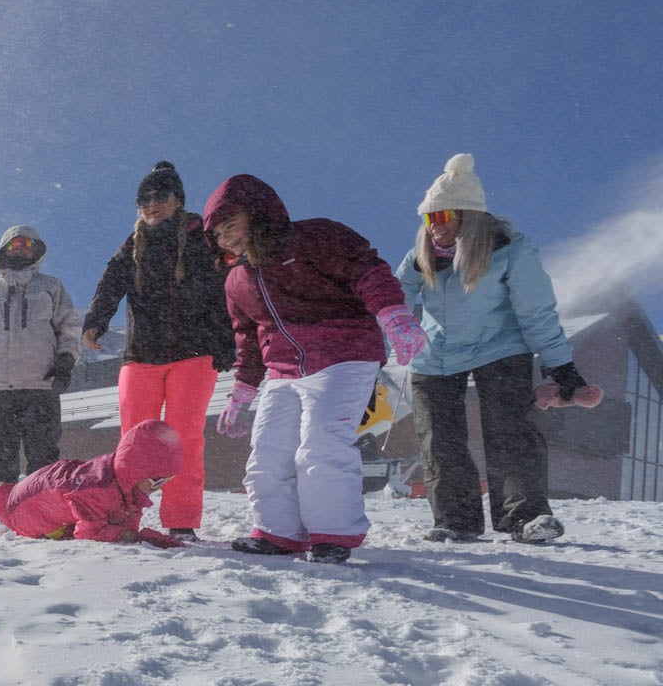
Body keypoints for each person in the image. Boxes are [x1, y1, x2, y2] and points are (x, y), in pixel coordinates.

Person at [205, 174, 427, 563]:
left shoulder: (316, 237)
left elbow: (367, 271)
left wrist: (392, 313)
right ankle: (279, 532)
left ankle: (333, 534)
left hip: (343, 355)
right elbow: (249, 339)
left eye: (231, 226)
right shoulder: (236, 280)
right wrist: (242, 390)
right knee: (268, 452)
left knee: (322, 443)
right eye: (219, 235)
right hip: (283, 371)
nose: (227, 239)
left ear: (257, 214)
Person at [397, 153, 598, 544]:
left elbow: (537, 312)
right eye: (427, 218)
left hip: (500, 346)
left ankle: (525, 517)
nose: (433, 228)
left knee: (509, 428)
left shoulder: (510, 249)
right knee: (440, 437)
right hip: (436, 353)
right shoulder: (420, 258)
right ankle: (456, 519)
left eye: (441, 217)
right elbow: (394, 297)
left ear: (467, 216)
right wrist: (397, 327)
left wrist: (561, 366)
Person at [80, 161, 235, 541]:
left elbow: (224, 291)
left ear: (177, 200)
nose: (152, 205)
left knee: (185, 437)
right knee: (132, 441)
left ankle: (181, 521)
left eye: (160, 197)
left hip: (194, 353)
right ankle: (122, 514)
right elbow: (109, 284)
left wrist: (226, 340)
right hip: (141, 355)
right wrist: (95, 321)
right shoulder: (133, 244)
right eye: (144, 199)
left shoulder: (202, 238)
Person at [0, 224, 82, 490]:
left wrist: (66, 361)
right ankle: (4, 510)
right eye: (15, 244)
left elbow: (68, 327)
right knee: (0, 458)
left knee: (43, 457)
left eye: (27, 244)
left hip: (40, 385)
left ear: (37, 251)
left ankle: (44, 513)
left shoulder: (51, 287)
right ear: (4, 248)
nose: (21, 249)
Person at [0, 419, 186, 547]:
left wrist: (141, 536)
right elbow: (90, 533)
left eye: (167, 480)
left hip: (42, 491)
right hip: (22, 512)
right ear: (137, 472)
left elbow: (125, 520)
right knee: (64, 532)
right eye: (158, 479)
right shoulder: (97, 488)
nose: (160, 487)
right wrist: (131, 536)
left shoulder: (123, 480)